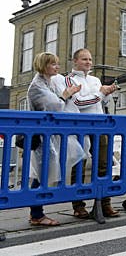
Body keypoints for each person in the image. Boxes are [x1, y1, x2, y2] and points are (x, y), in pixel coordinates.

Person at [56, 48, 119, 218]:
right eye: (84, 59)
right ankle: (78, 205)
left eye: (90, 59)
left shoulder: (95, 79)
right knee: (79, 165)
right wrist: (101, 93)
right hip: (80, 126)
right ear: (75, 61)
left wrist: (107, 94)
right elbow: (79, 102)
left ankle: (105, 203)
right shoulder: (68, 80)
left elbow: (100, 103)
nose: (88, 62)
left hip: (99, 124)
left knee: (104, 165)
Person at [27, 52, 82, 226]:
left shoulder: (48, 82)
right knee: (42, 172)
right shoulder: (37, 86)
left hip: (49, 134)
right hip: (41, 136)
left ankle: (37, 212)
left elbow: (60, 102)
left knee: (44, 171)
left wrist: (67, 94)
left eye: (57, 64)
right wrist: (66, 94)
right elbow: (55, 105)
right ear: (44, 65)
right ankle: (36, 213)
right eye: (53, 64)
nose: (57, 67)